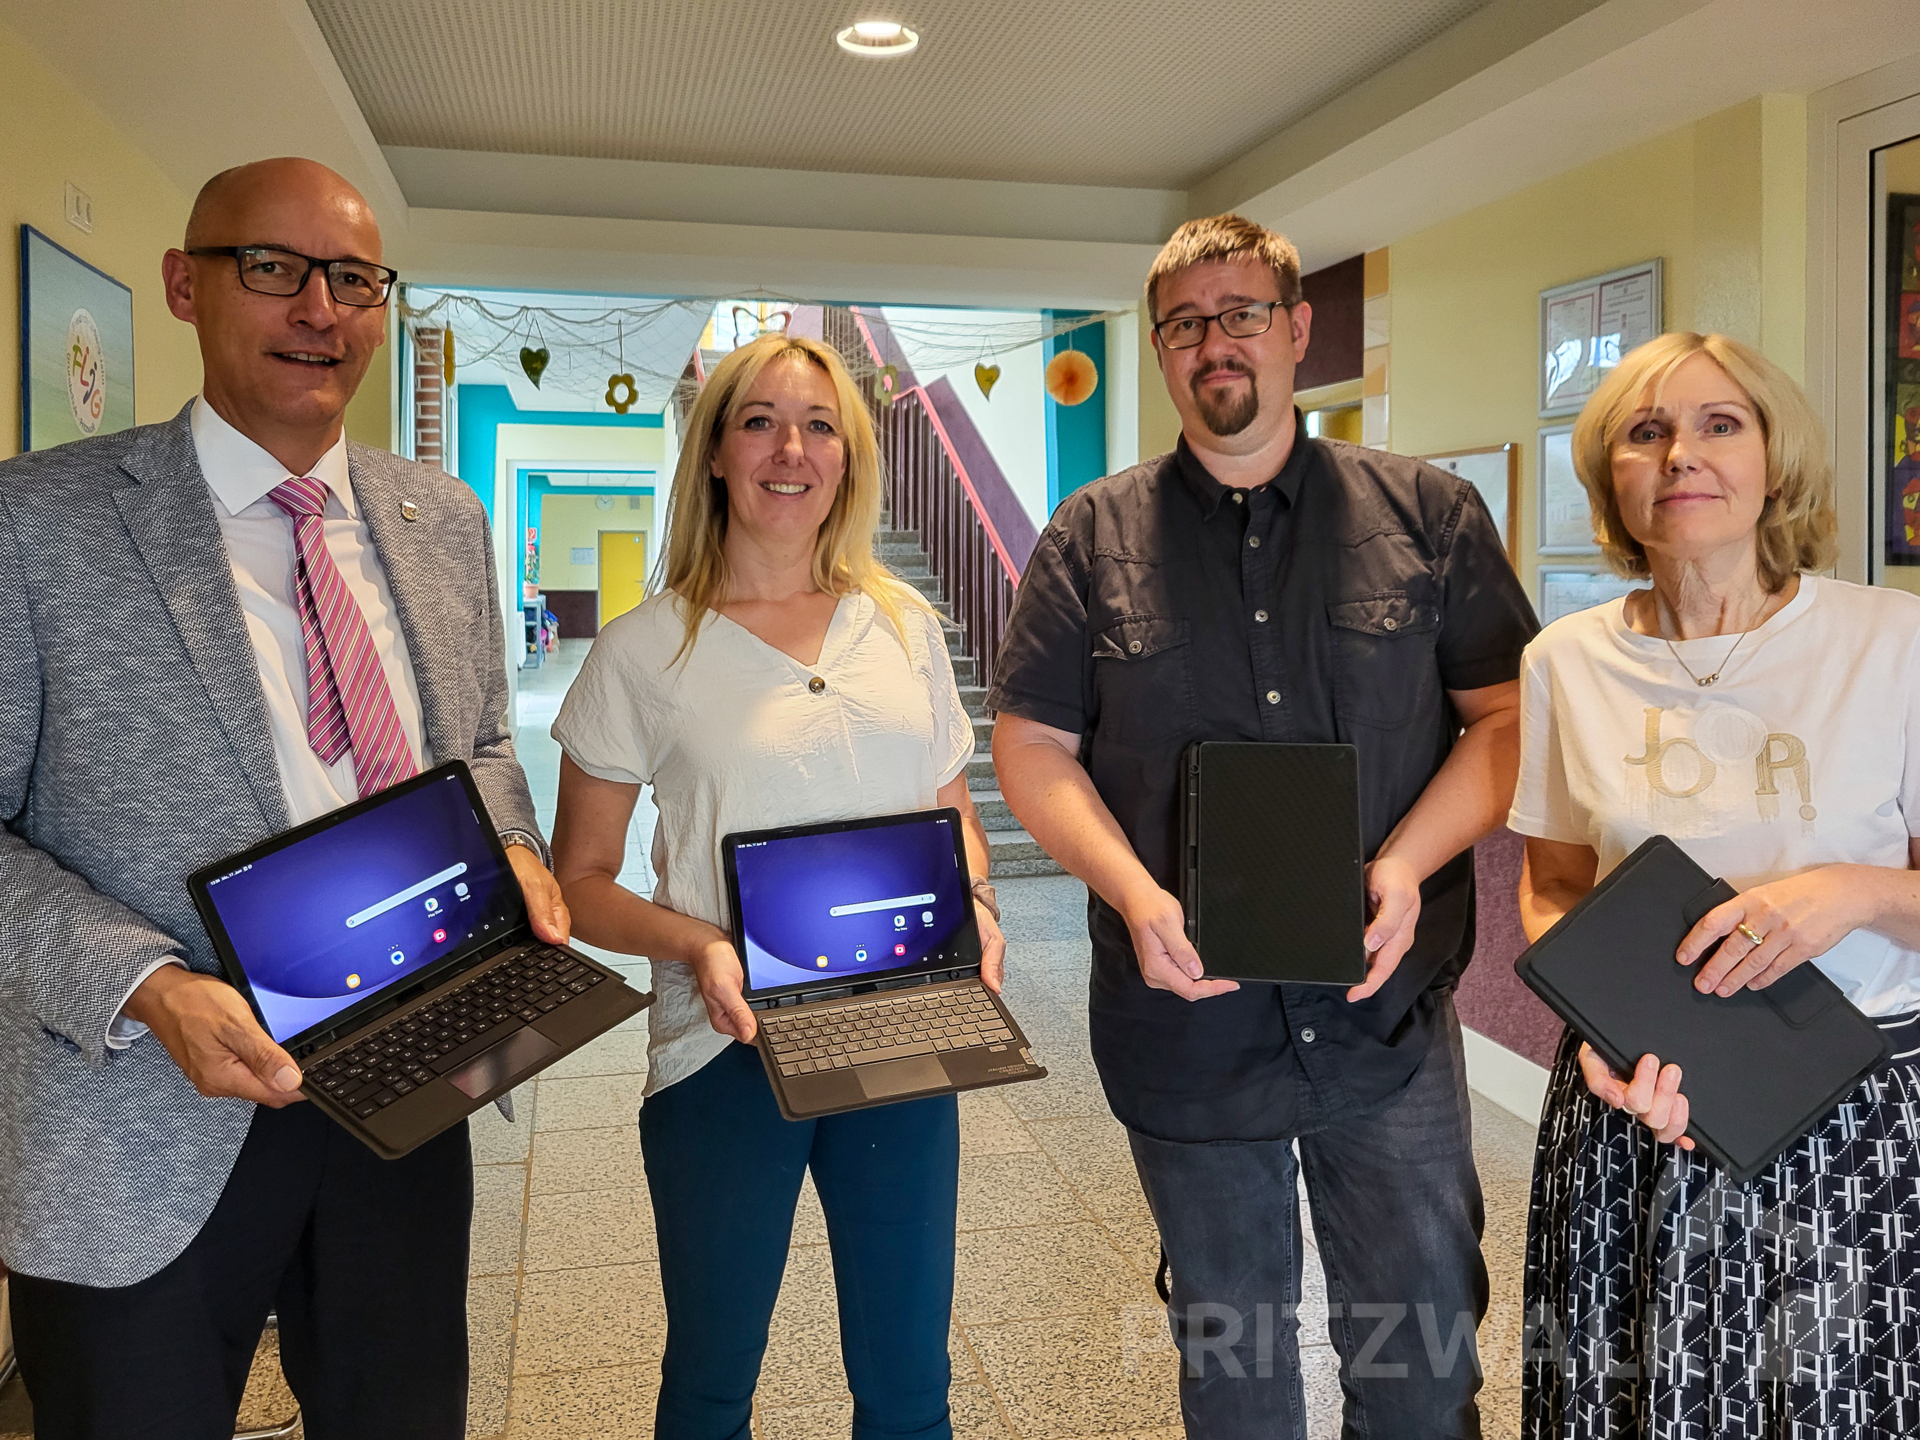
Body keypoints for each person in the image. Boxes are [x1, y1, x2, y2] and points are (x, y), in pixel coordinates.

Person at [0, 157, 567, 1440]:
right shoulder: (37, 524)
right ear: (185, 286)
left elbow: (478, 741)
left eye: (354, 278)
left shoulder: (440, 517)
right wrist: (146, 987)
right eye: (275, 267)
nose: (321, 307)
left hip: (412, 1076)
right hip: (145, 1106)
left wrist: (517, 849)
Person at [990, 213, 1538, 1437]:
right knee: (1233, 1379)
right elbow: (1028, 746)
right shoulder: (1088, 539)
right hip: (1186, 1028)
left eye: (1241, 314)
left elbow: (1503, 721)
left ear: (1296, 331)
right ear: (1161, 349)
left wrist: (1404, 865)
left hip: (1384, 1023)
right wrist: (1134, 892)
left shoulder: (1430, 515)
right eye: (1184, 325)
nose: (1213, 345)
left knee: (1422, 1369)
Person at [548, 333, 1004, 1440]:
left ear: (847, 458)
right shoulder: (641, 653)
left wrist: (979, 910)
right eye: (758, 422)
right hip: (724, 1049)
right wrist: (703, 945)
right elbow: (583, 882)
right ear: (713, 452)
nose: (788, 450)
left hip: (901, 1031)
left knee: (909, 1381)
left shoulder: (903, 628)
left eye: (817, 426)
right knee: (711, 1377)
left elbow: (955, 822)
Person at [1513, 332, 1920, 1438]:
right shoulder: (1566, 660)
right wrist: (1598, 1036)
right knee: (1638, 1397)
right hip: (1636, 1110)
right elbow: (1552, 886)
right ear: (1611, 478)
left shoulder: (1894, 642)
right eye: (1645, 434)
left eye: (1718, 425)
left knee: (1834, 1403)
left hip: (1857, 1105)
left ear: (1775, 461)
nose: (1680, 454)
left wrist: (1854, 891)